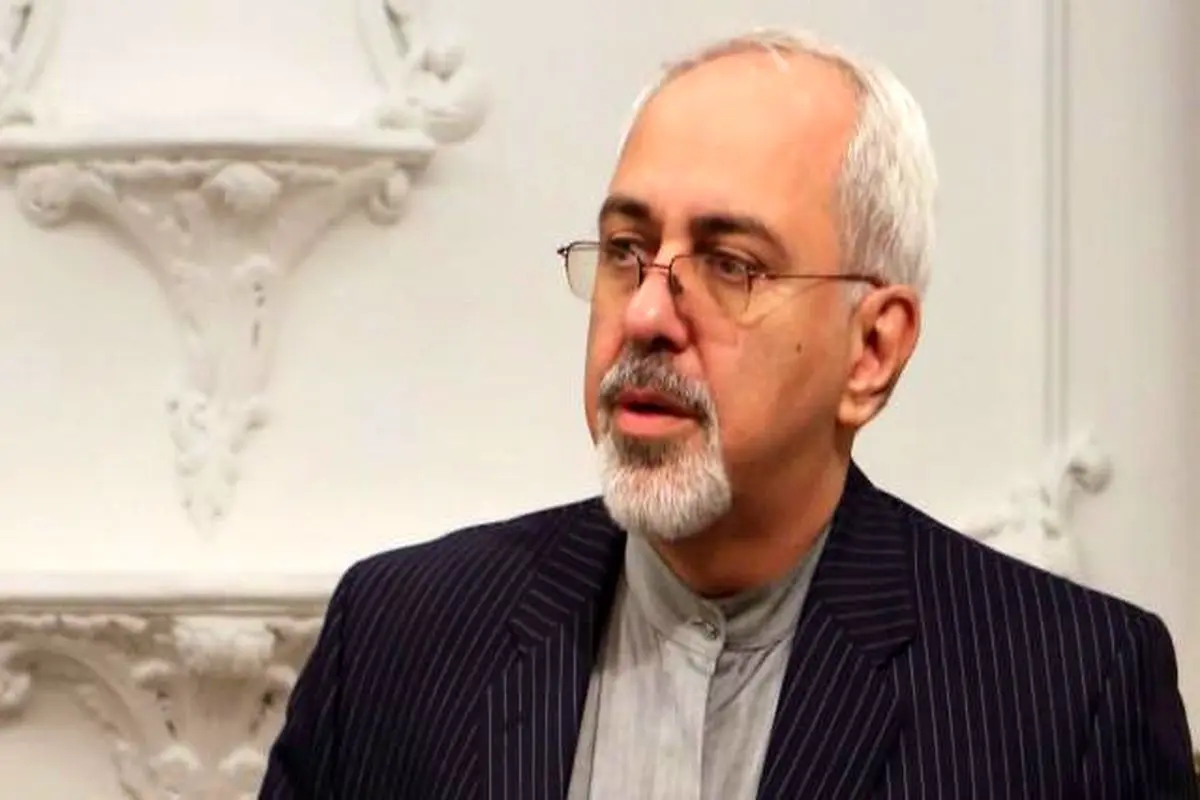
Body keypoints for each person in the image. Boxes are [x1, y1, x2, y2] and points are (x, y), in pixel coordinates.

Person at [259, 28, 1197, 799]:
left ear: (872, 350)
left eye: (730, 265)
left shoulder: (1068, 694)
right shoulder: (397, 637)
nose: (646, 314)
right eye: (626, 249)